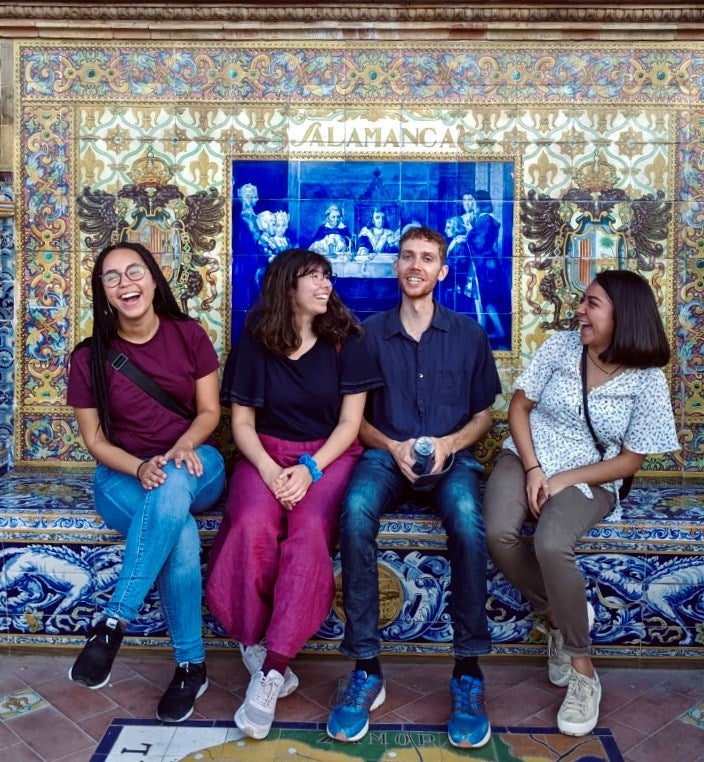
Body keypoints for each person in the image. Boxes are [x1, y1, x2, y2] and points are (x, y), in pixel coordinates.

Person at [482, 270, 679, 737]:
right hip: (527, 455)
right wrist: (533, 469)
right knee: (496, 533)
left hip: (591, 476)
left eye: (592, 304)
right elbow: (518, 408)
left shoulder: (646, 379)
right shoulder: (560, 347)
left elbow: (631, 460)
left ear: (622, 315)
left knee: (552, 543)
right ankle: (557, 613)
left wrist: (564, 478)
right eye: (582, 302)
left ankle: (582, 667)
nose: (580, 311)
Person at [326, 226, 501, 749]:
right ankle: (366, 667)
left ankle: (467, 671)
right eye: (407, 257)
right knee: (355, 510)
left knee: (470, 522)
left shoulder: (468, 334)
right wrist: (394, 447)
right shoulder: (367, 335)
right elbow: (354, 420)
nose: (416, 266)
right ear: (395, 268)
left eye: (427, 258)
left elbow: (484, 415)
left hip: (453, 460)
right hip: (386, 455)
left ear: (442, 271)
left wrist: (448, 444)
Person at [206, 248, 382, 740]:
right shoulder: (255, 345)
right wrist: (267, 469)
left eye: (327, 277)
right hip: (264, 456)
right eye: (314, 278)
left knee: (307, 539)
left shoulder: (348, 342)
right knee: (250, 526)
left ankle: (272, 670)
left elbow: (350, 424)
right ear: (287, 288)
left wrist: (308, 470)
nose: (326, 285)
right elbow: (241, 422)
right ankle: (252, 637)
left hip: (327, 459)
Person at [66, 242, 226, 723]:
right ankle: (191, 666)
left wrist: (182, 446)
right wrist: (137, 467)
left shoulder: (188, 335)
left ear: (154, 279)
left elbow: (209, 412)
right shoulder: (90, 356)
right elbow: (94, 440)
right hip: (122, 476)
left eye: (133, 272)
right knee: (177, 530)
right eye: (111, 278)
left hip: (197, 462)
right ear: (104, 293)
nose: (124, 283)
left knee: (175, 482)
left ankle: (113, 622)